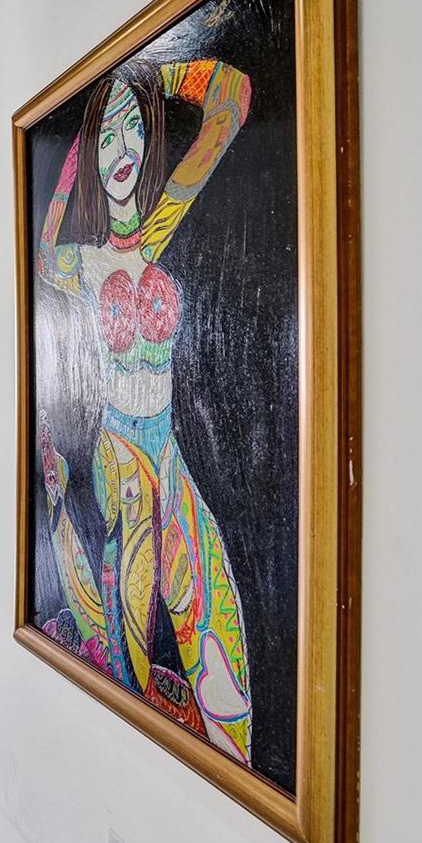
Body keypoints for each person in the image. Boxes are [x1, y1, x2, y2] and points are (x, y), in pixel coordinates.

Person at [34, 57, 254, 763]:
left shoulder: (160, 228)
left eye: (134, 132)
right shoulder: (82, 264)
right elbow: (41, 255)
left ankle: (234, 765)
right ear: (93, 157)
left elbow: (230, 107)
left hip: (169, 451)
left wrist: (160, 77)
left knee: (213, 618)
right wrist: (72, 153)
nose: (123, 149)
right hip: (120, 453)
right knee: (128, 646)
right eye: (108, 137)